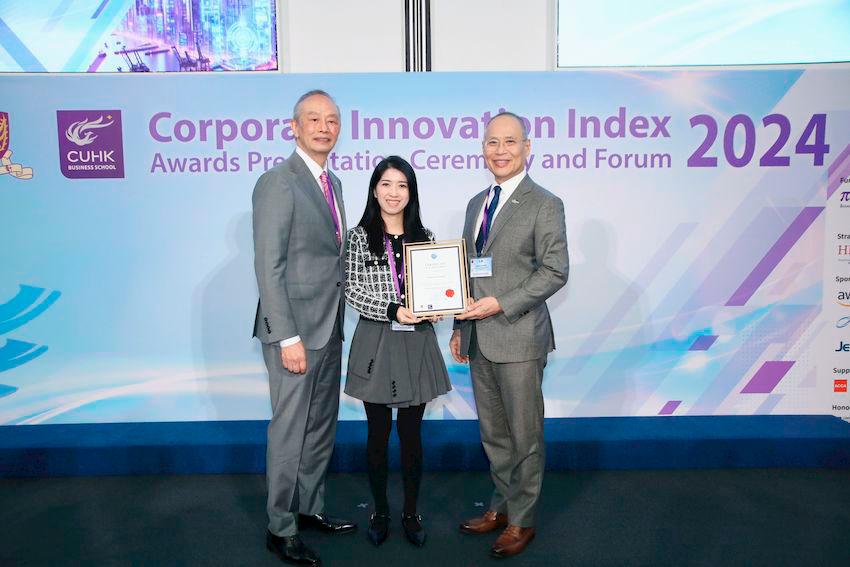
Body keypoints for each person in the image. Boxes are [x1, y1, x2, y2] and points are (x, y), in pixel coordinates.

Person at [450, 112, 569, 558]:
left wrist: (502, 302)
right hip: (480, 338)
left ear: (527, 148)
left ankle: (522, 520)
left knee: (524, 435)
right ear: (483, 148)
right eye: (492, 142)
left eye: (510, 142)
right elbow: (467, 271)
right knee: (494, 435)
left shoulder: (544, 203)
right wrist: (462, 326)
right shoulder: (476, 202)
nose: (500, 150)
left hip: (518, 336)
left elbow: (556, 271)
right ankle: (501, 505)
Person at [252, 89, 355, 566]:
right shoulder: (279, 182)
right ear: (293, 127)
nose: (323, 127)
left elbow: (331, 258)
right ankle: (280, 526)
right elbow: (268, 267)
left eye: (332, 120)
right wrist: (286, 336)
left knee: (319, 429)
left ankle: (310, 509)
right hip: (294, 334)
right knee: (290, 431)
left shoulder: (332, 184)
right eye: (313, 119)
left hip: (330, 326)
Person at [344, 155, 452, 548]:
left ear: (412, 192)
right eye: (387, 184)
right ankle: (380, 511)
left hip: (416, 342)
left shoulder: (425, 236)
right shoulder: (358, 237)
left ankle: (410, 511)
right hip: (377, 341)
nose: (394, 193)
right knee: (377, 433)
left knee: (411, 435)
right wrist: (392, 309)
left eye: (402, 185)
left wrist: (437, 307)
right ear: (375, 189)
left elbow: (438, 288)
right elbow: (353, 290)